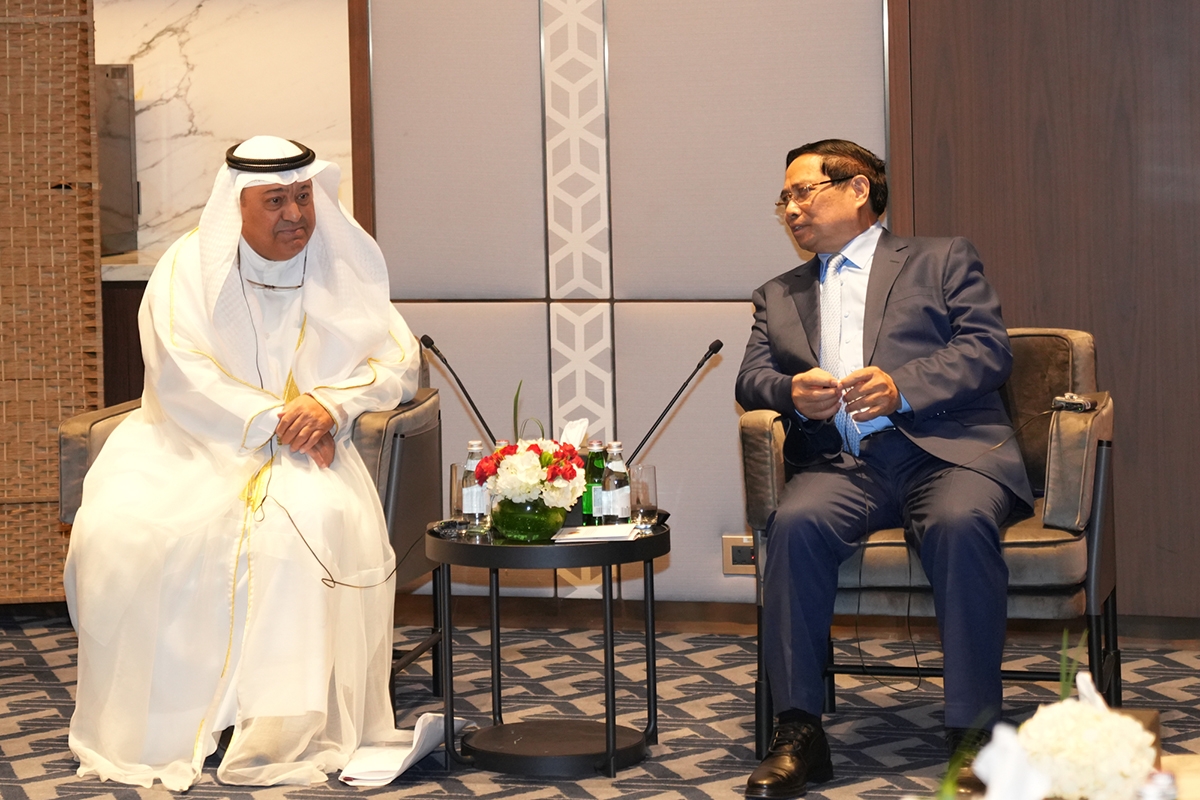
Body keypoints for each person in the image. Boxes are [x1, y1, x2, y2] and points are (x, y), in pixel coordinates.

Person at [63, 136, 422, 790]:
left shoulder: (339, 260)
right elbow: (181, 374)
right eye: (276, 201)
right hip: (188, 445)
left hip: (310, 452)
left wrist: (330, 404)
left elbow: (396, 359)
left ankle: (281, 722)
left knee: (303, 523)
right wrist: (280, 422)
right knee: (121, 532)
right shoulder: (187, 269)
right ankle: (169, 719)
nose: (297, 215)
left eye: (303, 196)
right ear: (238, 205)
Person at [735, 139, 1033, 799]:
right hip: (845, 465)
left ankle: (974, 734)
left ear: (858, 188)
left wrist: (903, 387)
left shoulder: (941, 259)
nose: (791, 209)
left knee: (959, 524)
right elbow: (752, 378)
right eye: (784, 200)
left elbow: (987, 350)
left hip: (947, 455)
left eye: (803, 191)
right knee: (793, 525)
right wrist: (792, 393)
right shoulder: (778, 295)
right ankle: (798, 731)